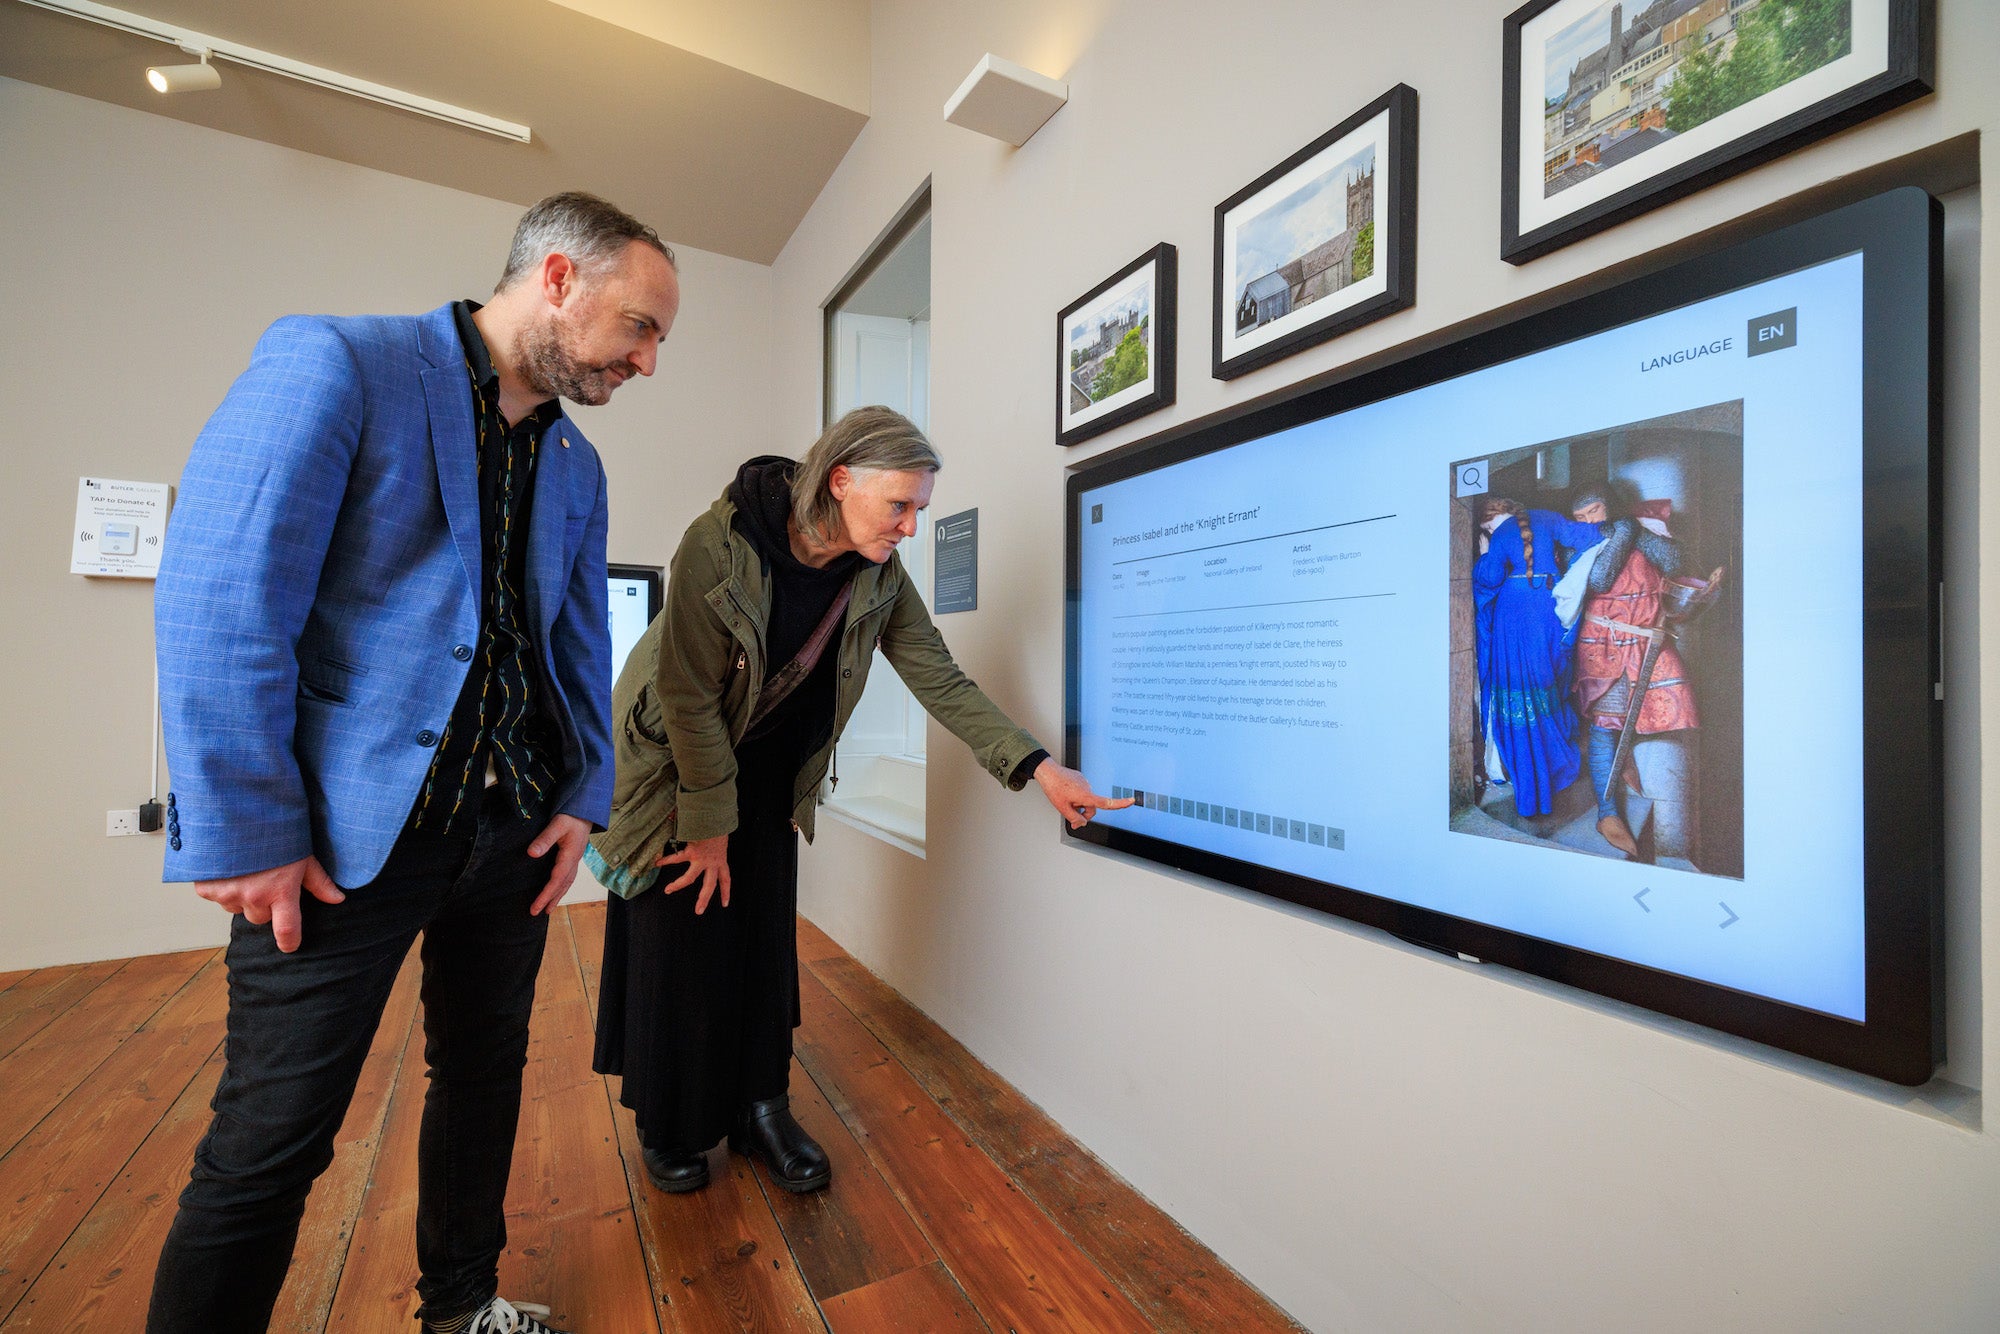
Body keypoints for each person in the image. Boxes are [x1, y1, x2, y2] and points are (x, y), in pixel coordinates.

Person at [149, 193, 680, 1334]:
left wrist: (583, 798)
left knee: (483, 1080)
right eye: (639, 326)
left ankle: (462, 1305)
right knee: (271, 1141)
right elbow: (221, 598)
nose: (647, 360)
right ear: (556, 277)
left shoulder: (576, 465)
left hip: (512, 838)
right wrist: (248, 827)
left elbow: (579, 646)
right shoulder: (339, 364)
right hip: (342, 844)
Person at [586, 407, 1128, 1195]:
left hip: (772, 774)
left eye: (919, 509)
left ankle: (761, 1108)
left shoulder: (878, 576)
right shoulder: (719, 543)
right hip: (677, 769)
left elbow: (940, 679)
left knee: (762, 943)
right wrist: (707, 829)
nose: (910, 527)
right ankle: (670, 1123)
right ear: (840, 481)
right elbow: (688, 696)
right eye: (899, 505)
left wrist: (1038, 767)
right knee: (681, 942)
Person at [1568, 487, 1699, 857]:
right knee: (1605, 726)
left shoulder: (1643, 529)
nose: (1589, 521)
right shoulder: (1581, 541)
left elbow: (1673, 563)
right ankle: (1607, 813)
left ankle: (1631, 775)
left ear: (1609, 505)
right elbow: (1599, 580)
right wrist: (1621, 533)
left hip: (1647, 642)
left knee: (1663, 716)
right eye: (1581, 517)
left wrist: (1632, 529)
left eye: (1595, 511)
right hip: (1605, 644)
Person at [1470, 496, 1604, 818]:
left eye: (1488, 526)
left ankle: (1530, 780)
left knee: (1519, 688)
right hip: (1546, 605)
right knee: (1546, 681)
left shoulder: (1500, 535)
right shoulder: (1548, 516)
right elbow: (1590, 537)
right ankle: (1554, 760)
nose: (1490, 531)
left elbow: (1489, 578)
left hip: (1513, 612)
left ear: (1495, 517)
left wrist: (1486, 552)